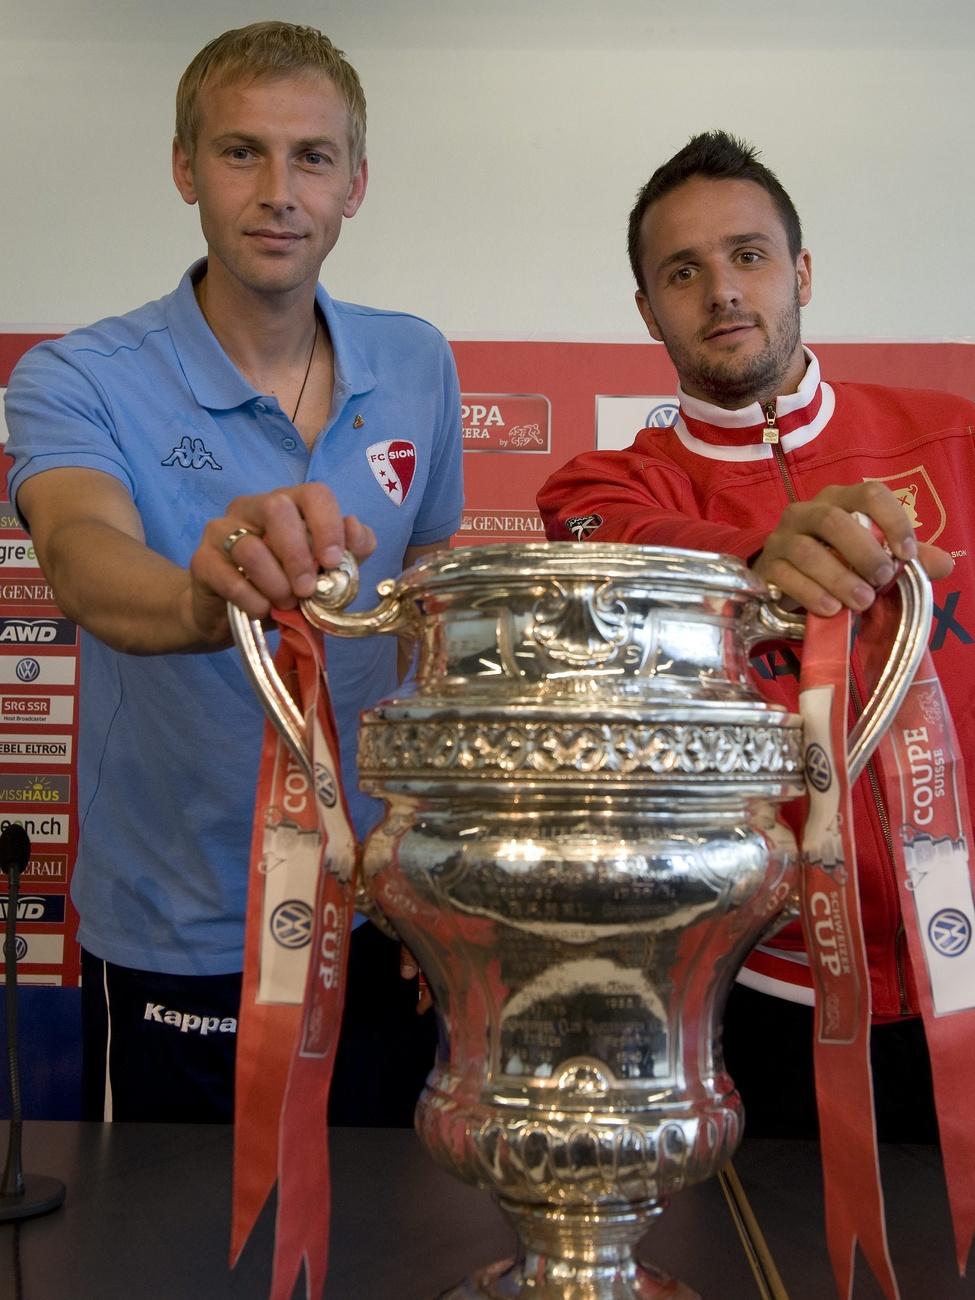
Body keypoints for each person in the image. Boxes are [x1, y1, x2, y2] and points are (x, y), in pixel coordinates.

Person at [3, 22, 462, 1124]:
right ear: (183, 168)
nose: (277, 191)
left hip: (376, 914)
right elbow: (80, 556)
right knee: (167, 1259)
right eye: (239, 152)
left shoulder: (417, 361)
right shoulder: (76, 375)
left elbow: (431, 607)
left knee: (380, 1251)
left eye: (312, 158)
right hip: (177, 925)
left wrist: (434, 864)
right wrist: (205, 598)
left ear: (356, 183)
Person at [537, 130, 975, 1138]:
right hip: (761, 993)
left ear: (801, 270)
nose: (723, 291)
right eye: (682, 272)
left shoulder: (951, 434)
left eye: (748, 255)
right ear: (648, 310)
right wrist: (758, 554)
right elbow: (634, 551)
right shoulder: (607, 486)